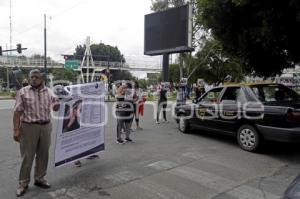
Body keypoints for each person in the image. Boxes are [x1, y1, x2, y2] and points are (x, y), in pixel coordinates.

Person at [13, 69, 59, 197]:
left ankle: (40, 178)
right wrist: (16, 130)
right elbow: (17, 112)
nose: (33, 79)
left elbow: (55, 108)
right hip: (29, 128)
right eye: (31, 77)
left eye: (36, 77)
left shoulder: (49, 92)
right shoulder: (23, 92)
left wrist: (57, 103)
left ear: (42, 79)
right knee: (27, 156)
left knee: (43, 155)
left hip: (45, 126)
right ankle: (23, 183)